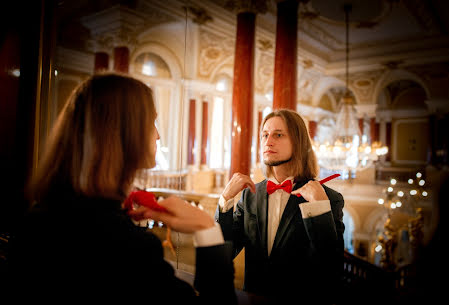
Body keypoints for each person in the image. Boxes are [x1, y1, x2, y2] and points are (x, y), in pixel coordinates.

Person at [6, 72, 236, 304]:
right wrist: (207, 229)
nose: (158, 135)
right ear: (123, 133)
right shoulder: (128, 248)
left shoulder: (34, 219)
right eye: (151, 123)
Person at [215, 109, 345, 304]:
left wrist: (320, 209)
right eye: (264, 135)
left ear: (298, 142)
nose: (268, 142)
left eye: (278, 134)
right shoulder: (250, 195)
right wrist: (225, 200)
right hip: (253, 301)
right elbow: (224, 252)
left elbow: (331, 268)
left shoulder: (329, 199)